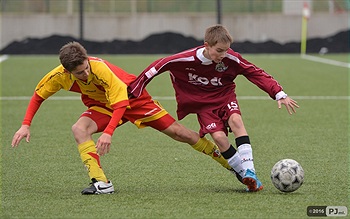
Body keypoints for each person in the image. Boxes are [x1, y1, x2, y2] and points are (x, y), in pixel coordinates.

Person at [11, 41, 242, 195]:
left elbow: (121, 103)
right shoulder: (58, 77)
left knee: (180, 133)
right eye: (80, 73)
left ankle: (232, 165)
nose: (86, 74)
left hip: (134, 98)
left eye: (86, 68)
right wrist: (25, 125)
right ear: (67, 71)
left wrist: (109, 132)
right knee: (79, 129)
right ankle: (101, 183)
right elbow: (38, 96)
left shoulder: (99, 68)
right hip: (103, 105)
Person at [128, 24, 300, 192]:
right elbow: (157, 67)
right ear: (206, 46)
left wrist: (279, 93)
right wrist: (135, 89)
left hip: (224, 97)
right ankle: (243, 174)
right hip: (202, 105)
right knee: (219, 138)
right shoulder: (185, 59)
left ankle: (250, 171)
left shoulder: (230, 58)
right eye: (219, 51)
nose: (224, 55)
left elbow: (254, 72)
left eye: (226, 50)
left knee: (236, 121)